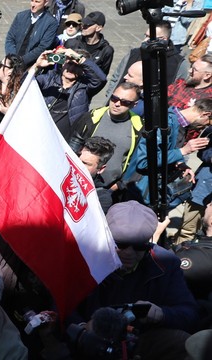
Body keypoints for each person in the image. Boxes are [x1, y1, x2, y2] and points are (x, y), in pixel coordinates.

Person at [77, 201, 198, 360]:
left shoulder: (166, 264)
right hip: (91, 338)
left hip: (139, 337)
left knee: (185, 343)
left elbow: (189, 313)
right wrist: (82, 328)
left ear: (148, 242)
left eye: (139, 246)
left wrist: (162, 314)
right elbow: (62, 305)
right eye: (121, 244)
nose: (129, 252)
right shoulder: (85, 257)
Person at [125, 98, 212, 208]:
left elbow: (168, 151)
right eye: (208, 123)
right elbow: (144, 161)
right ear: (205, 114)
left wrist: (180, 163)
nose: (205, 128)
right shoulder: (165, 123)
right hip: (136, 190)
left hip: (147, 191)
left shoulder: (181, 125)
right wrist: (183, 151)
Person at [71, 82, 143, 193]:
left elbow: (138, 162)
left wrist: (120, 185)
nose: (117, 104)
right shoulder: (91, 117)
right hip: (77, 180)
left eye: (125, 102)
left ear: (134, 104)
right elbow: (71, 147)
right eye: (114, 98)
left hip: (108, 189)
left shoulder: (138, 128)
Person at [34, 48, 106, 140]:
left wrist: (78, 57)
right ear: (63, 63)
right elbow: (22, 85)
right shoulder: (48, 78)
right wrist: (37, 66)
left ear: (83, 69)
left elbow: (101, 79)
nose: (71, 69)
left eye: (77, 66)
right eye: (70, 64)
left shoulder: (85, 87)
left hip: (61, 140)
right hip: (37, 131)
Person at [4, 0, 58, 66]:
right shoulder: (20, 16)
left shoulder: (51, 22)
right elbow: (10, 38)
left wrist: (22, 60)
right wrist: (12, 57)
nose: (33, 4)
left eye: (37, 2)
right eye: (32, 1)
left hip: (31, 64)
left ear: (45, 3)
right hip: (13, 61)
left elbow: (43, 47)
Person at [64, 11, 114, 77]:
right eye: (83, 24)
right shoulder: (72, 43)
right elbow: (62, 67)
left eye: (88, 25)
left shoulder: (106, 50)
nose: (83, 27)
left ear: (98, 28)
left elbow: (102, 76)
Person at [78, 136, 116, 213]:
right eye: (76, 159)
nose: (77, 165)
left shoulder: (101, 199)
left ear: (101, 169)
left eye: (85, 163)